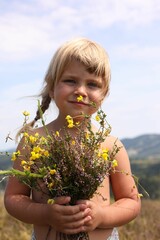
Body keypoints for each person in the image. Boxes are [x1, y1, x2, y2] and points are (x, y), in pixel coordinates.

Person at [4, 37, 141, 240]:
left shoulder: (111, 145)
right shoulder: (33, 140)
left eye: (93, 84)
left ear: (104, 94)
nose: (81, 91)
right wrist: (47, 214)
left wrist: (102, 216)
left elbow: (131, 201)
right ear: (52, 87)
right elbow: (13, 198)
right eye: (70, 81)